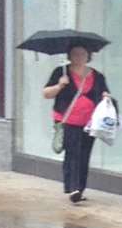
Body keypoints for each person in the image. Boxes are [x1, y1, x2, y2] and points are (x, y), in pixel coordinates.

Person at [42, 43, 108, 204]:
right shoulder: (61, 72)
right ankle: (72, 187)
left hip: (90, 122)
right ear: (69, 56)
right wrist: (60, 85)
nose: (79, 57)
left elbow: (104, 93)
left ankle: (80, 188)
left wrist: (106, 96)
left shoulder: (97, 76)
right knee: (73, 153)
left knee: (85, 154)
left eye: (82, 54)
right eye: (75, 54)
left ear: (88, 56)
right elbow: (46, 93)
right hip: (68, 120)